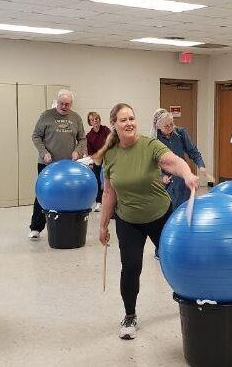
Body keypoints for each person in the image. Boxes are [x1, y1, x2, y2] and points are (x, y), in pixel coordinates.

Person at [94, 103, 199, 340]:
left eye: (132, 118)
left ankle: (192, 298)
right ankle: (129, 315)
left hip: (160, 214)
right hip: (128, 219)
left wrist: (187, 173)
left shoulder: (149, 145)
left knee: (176, 260)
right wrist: (102, 226)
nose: (129, 123)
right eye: (123, 120)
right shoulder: (110, 154)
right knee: (130, 268)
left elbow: (172, 160)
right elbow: (109, 192)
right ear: (114, 125)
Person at [28, 89, 86, 239]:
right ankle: (36, 228)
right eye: (61, 103)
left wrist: (78, 151)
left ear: (71, 104)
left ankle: (65, 228)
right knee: (43, 194)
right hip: (47, 164)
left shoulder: (76, 118)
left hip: (68, 166)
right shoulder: (46, 116)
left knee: (67, 195)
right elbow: (36, 136)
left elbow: (82, 139)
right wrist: (44, 152)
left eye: (67, 104)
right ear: (57, 102)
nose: (64, 106)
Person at [152, 108, 208, 210]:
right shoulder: (154, 141)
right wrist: (162, 176)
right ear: (158, 126)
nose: (170, 127)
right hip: (167, 183)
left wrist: (201, 165)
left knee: (185, 209)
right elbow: (152, 164)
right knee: (169, 212)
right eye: (166, 126)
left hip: (182, 180)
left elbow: (193, 152)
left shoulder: (180, 133)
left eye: (171, 124)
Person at [86, 111, 111, 212]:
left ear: (99, 119)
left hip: (109, 158)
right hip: (97, 160)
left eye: (96, 119)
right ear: (90, 122)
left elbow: (111, 142)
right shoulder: (89, 136)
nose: (95, 121)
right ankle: (98, 203)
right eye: (92, 120)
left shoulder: (106, 130)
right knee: (98, 181)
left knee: (109, 181)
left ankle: (111, 202)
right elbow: (90, 152)